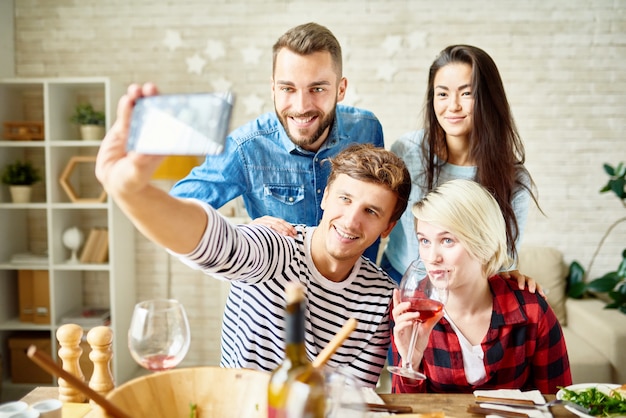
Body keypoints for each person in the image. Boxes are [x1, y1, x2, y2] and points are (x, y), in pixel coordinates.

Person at [95, 83, 411, 388]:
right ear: (325, 197)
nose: (352, 221)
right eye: (345, 199)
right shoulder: (277, 248)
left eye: (371, 212)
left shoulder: (381, 295)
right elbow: (209, 242)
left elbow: (353, 397)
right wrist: (132, 193)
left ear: (388, 227)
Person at [169, 22, 384, 261]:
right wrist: (244, 234)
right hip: (277, 294)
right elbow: (173, 212)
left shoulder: (368, 129)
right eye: (287, 89)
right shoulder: (246, 147)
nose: (301, 107)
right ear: (273, 88)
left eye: (317, 89)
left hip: (353, 293)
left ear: (340, 89)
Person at [390, 179, 571, 394]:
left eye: (447, 240)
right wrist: (412, 361)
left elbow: (560, 404)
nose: (432, 257)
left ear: (483, 243)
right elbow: (404, 412)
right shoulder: (412, 311)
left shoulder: (532, 311)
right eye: (425, 241)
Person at [381, 44, 538, 284]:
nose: (453, 106)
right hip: (398, 279)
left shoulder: (513, 179)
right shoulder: (406, 151)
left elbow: (504, 261)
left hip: (463, 292)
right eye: (442, 94)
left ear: (488, 98)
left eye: (466, 93)